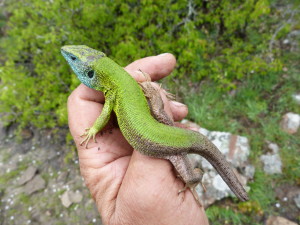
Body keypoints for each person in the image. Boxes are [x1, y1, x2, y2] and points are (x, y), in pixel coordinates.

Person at [67, 53, 210, 225]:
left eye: (74, 59)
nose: (71, 58)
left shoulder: (112, 89)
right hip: (165, 138)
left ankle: (196, 178)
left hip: (167, 146)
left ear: (92, 73)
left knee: (189, 176)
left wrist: (94, 130)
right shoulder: (116, 84)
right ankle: (156, 97)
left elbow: (105, 113)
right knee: (159, 112)